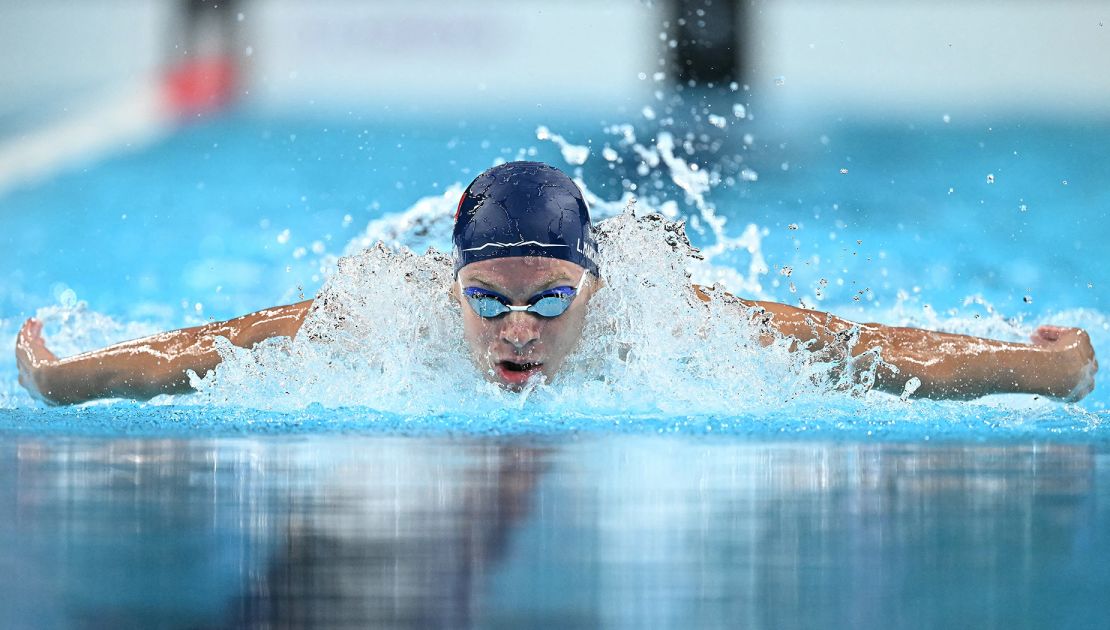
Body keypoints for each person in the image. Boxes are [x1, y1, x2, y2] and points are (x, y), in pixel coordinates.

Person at [15, 161, 1099, 405]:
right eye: (488, 300)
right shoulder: (390, 311)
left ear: (594, 288)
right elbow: (218, 343)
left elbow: (860, 349)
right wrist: (73, 379)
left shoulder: (670, 322)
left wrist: (1038, 370)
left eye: (547, 302)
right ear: (454, 289)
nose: (516, 329)